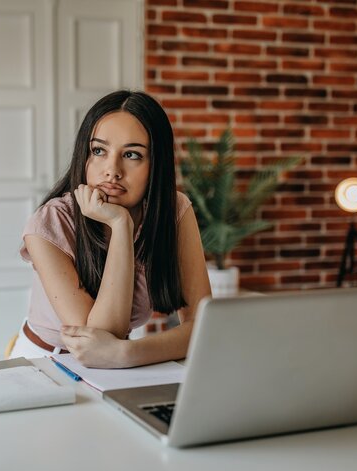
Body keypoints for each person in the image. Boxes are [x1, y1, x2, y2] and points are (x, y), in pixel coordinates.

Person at [12, 90, 211, 368]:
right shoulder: (49, 222)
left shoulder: (174, 210)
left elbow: (203, 327)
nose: (112, 170)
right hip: (44, 364)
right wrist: (120, 225)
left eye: (132, 154)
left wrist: (129, 353)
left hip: (121, 364)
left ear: (156, 164)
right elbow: (98, 341)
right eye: (99, 151)